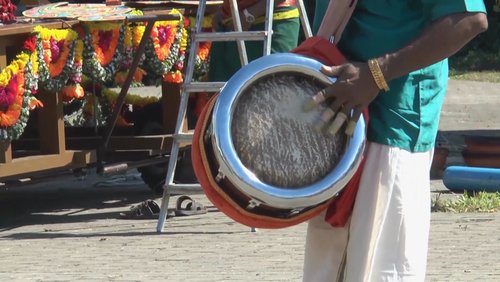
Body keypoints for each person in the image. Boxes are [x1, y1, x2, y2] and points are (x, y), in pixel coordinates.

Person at [301, 1, 488, 281]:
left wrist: (376, 75)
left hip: (392, 132)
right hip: (337, 130)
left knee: (382, 269)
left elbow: (470, 19)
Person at [208, 0, 301, 82]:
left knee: (271, 89)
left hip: (273, 22)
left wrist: (249, 14)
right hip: (231, 24)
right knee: (225, 94)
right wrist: (222, 11)